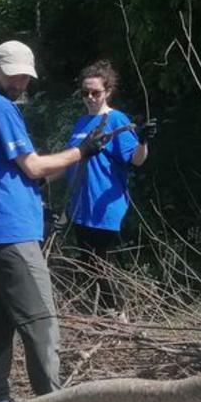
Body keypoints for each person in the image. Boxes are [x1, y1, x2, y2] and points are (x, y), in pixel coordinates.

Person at [0, 40, 114, 402]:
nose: (19, 84)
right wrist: (80, 152)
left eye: (25, 78)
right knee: (42, 324)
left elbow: (32, 172)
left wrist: (73, 155)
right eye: (12, 75)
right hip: (10, 233)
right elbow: (32, 166)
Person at [61, 60, 155, 315]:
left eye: (96, 93)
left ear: (108, 91)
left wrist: (143, 141)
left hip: (105, 209)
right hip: (80, 207)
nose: (90, 98)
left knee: (101, 265)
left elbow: (136, 159)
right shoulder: (81, 123)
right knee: (88, 265)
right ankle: (102, 315)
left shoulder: (116, 120)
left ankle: (117, 316)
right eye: (85, 93)